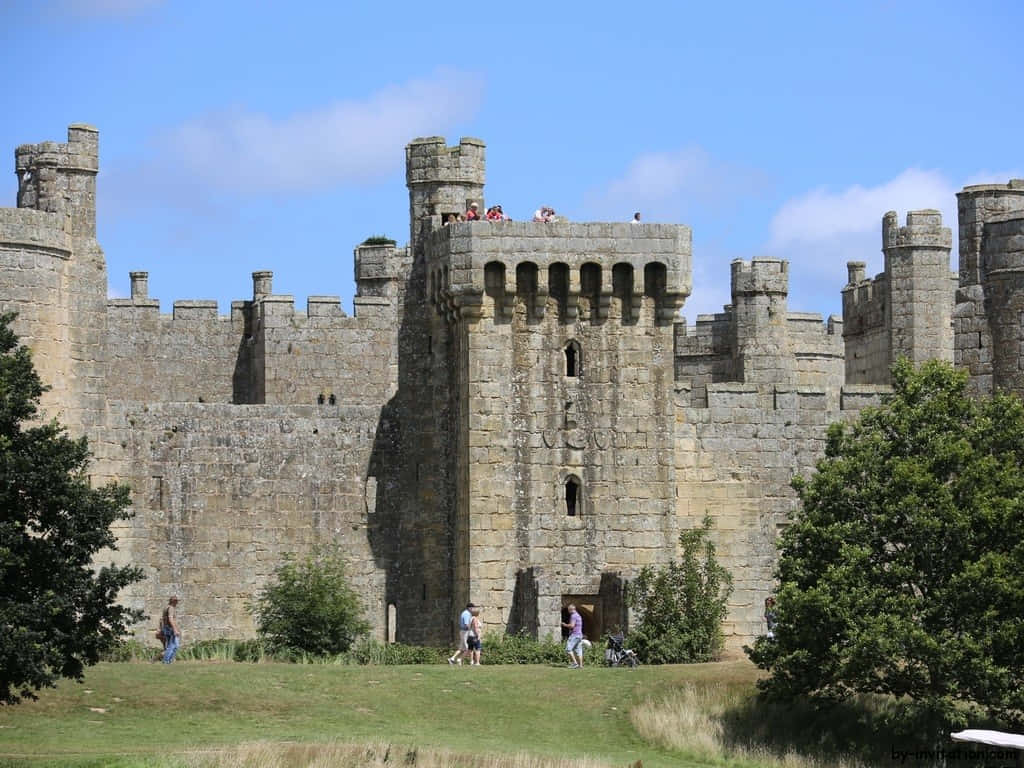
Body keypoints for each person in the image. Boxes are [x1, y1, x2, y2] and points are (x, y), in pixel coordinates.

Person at [561, 603, 585, 668]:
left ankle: (575, 664)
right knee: (579, 650)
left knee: (568, 649)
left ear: (571, 609)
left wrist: (564, 624)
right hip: (580, 635)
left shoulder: (573, 616)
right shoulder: (578, 615)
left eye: (568, 610)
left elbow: (572, 626)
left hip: (574, 635)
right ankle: (581, 665)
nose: (568, 612)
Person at [160, 595, 181, 664]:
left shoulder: (166, 608)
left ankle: (168, 660)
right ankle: (166, 661)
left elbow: (162, 620)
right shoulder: (171, 608)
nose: (177, 603)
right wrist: (175, 629)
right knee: (173, 645)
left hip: (166, 628)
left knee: (172, 645)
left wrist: (162, 628)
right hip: (170, 629)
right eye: (176, 601)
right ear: (173, 601)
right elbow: (170, 619)